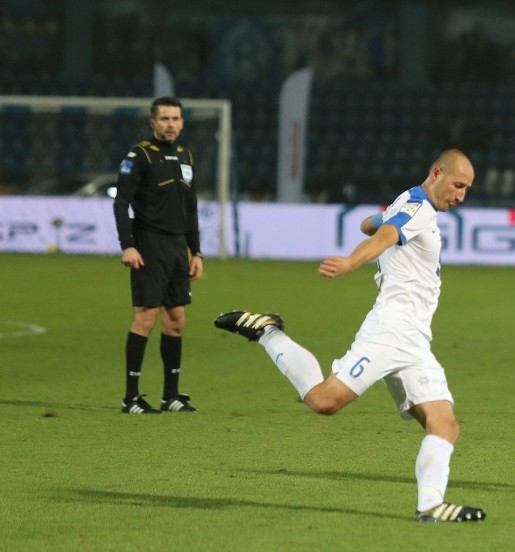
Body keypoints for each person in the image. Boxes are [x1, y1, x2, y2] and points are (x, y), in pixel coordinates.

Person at [214, 149, 486, 523]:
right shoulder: (419, 208)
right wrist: (350, 262)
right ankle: (268, 333)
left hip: (414, 339)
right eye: (458, 185)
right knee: (325, 401)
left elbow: (370, 225)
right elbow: (383, 236)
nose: (460, 196)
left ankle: (431, 507)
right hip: (391, 330)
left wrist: (376, 221)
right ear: (437, 173)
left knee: (444, 424)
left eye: (467, 189)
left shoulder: (409, 201)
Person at [113, 96, 203, 414]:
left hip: (179, 249)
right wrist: (128, 244)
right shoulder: (139, 156)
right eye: (164, 119)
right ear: (153, 122)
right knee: (145, 317)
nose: (170, 124)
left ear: (182, 122)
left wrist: (197, 251)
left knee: (176, 320)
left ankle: (171, 395)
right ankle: (131, 397)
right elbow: (120, 202)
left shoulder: (186, 156)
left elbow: (190, 210)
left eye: (175, 119)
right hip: (148, 245)